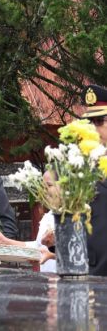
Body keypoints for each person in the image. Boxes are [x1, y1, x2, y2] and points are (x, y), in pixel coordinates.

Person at [81, 84, 107, 276]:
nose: (93, 129)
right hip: (91, 270)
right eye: (89, 123)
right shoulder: (83, 164)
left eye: (99, 122)